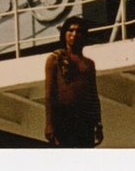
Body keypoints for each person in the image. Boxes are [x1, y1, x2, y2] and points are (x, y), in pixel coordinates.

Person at [44, 17, 103, 147]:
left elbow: (94, 95)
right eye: (71, 30)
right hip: (64, 117)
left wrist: (98, 124)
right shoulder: (54, 59)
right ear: (64, 33)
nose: (74, 34)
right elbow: (49, 94)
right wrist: (49, 124)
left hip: (85, 119)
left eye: (79, 31)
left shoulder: (89, 64)